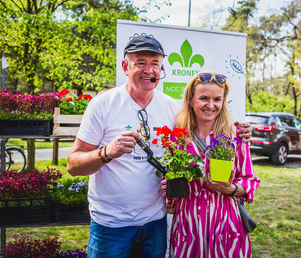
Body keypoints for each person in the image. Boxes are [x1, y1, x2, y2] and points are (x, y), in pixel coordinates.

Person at [67, 35, 252, 258]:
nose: (149, 70)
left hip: (154, 223)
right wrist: (107, 152)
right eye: (141, 62)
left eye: (155, 63)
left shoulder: (171, 108)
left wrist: (239, 131)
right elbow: (73, 165)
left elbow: (205, 123)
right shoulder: (103, 104)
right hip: (111, 224)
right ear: (126, 66)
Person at [164, 71, 260, 258]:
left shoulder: (236, 136)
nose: (211, 105)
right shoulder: (177, 138)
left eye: (217, 99)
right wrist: (167, 185)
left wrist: (231, 189)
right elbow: (169, 183)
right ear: (191, 100)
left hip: (226, 224)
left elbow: (249, 180)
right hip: (188, 225)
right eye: (203, 98)